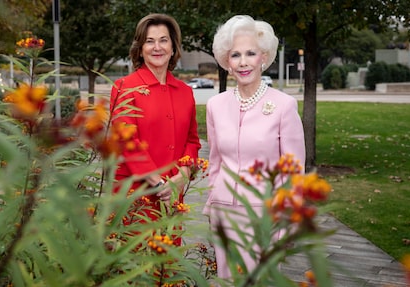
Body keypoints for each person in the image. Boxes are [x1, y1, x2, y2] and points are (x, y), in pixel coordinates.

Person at [203, 15, 306, 279]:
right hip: (224, 213)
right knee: (226, 280)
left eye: (251, 53)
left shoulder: (284, 105)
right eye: (236, 55)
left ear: (264, 57)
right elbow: (215, 162)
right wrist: (212, 203)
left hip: (266, 215)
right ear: (227, 61)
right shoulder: (215, 105)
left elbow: (294, 171)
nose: (244, 62)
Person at [110, 13, 201, 242]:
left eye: (164, 40)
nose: (157, 47)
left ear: (173, 47)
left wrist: (182, 175)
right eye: (149, 41)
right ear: (140, 49)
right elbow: (127, 142)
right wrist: (160, 184)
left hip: (172, 197)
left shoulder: (185, 92)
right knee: (133, 267)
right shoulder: (125, 87)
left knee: (166, 271)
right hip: (136, 197)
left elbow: (192, 141)